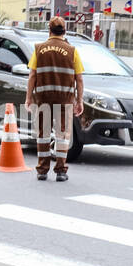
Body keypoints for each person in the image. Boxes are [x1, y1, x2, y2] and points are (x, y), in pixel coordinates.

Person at [25, 16, 83, 181]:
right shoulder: (73, 51)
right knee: (62, 135)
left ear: (49, 30)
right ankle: (61, 171)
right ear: (64, 31)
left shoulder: (38, 49)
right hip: (65, 100)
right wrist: (79, 101)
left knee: (43, 134)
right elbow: (79, 79)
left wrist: (28, 98)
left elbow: (32, 76)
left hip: (43, 99)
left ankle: (42, 170)